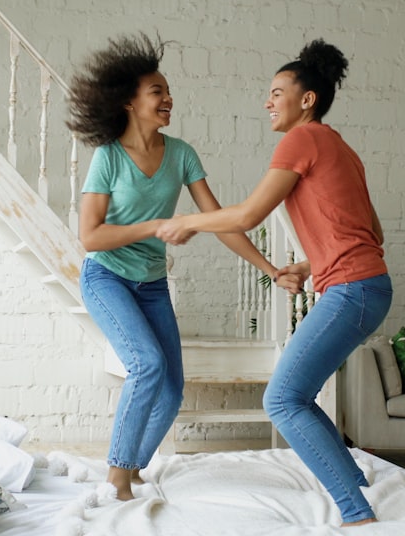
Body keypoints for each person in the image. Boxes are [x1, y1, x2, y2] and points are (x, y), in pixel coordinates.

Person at [155, 39, 391, 526]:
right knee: (297, 395)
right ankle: (358, 485)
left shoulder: (301, 139)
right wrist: (311, 266)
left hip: (352, 289)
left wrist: (189, 222)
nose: (267, 101)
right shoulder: (341, 147)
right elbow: (372, 231)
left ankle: (357, 513)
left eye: (276, 91)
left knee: (281, 399)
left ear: (308, 100)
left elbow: (249, 213)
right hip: (366, 286)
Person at [67, 33, 287, 501]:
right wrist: (157, 226)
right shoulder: (107, 157)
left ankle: (135, 467)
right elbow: (90, 236)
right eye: (157, 92)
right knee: (146, 365)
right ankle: (117, 480)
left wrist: (270, 269)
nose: (168, 99)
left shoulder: (181, 154)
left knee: (170, 390)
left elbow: (220, 221)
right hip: (106, 277)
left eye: (168, 92)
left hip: (150, 284)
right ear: (129, 101)